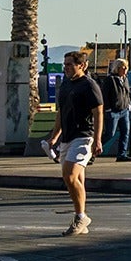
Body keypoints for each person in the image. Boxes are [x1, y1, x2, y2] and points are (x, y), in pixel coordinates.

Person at [46, 51, 104, 237]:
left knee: (69, 175)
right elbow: (61, 113)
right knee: (77, 180)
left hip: (83, 136)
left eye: (70, 64)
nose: (67, 68)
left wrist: (97, 139)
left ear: (82, 65)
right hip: (67, 138)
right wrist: (54, 137)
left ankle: (81, 216)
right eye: (65, 64)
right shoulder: (65, 85)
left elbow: (98, 113)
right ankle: (82, 221)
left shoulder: (89, 85)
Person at [100, 58, 131, 162]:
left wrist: (128, 104)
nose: (125, 70)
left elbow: (127, 93)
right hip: (113, 111)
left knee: (125, 132)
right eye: (123, 68)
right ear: (117, 68)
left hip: (124, 110)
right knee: (110, 134)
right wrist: (108, 109)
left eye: (126, 68)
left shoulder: (125, 79)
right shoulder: (110, 80)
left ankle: (122, 154)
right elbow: (104, 95)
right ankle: (92, 151)